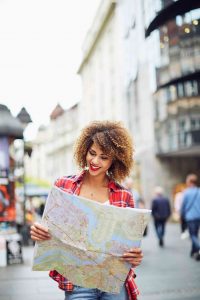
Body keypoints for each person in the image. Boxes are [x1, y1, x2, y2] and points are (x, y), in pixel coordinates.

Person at [30, 120, 143, 300]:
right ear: (85, 150)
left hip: (113, 282)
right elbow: (51, 231)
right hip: (78, 282)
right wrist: (39, 232)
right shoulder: (64, 186)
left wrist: (135, 257)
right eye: (92, 153)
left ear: (115, 160)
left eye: (104, 157)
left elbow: (129, 245)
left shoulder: (124, 196)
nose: (95, 161)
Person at [181, 174, 200, 261]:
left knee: (192, 235)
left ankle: (198, 248)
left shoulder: (187, 192)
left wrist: (182, 216)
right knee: (195, 234)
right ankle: (193, 252)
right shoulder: (199, 191)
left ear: (189, 182)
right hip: (198, 216)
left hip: (190, 217)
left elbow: (183, 206)